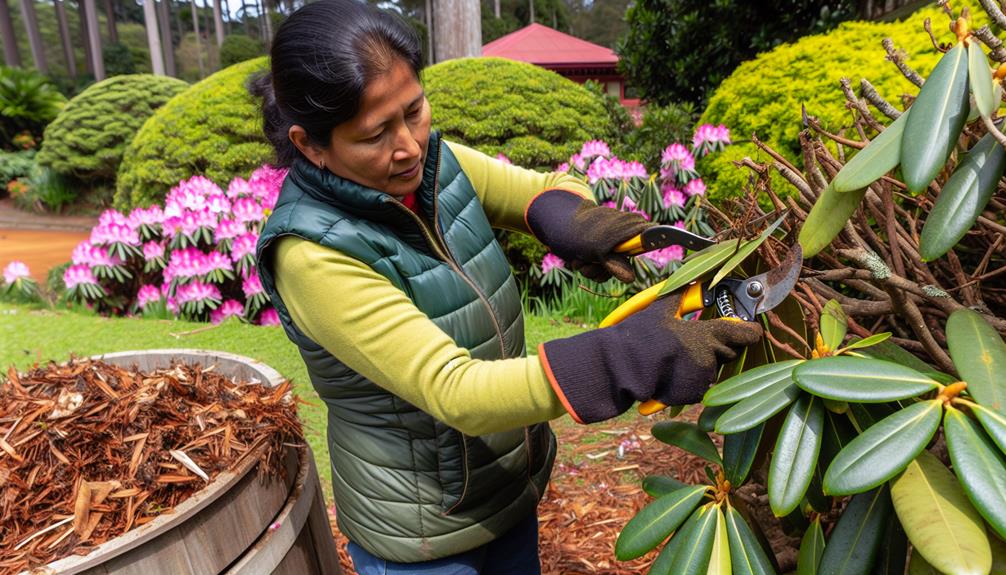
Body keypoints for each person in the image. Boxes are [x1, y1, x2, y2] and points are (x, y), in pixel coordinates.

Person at [251, 1, 762, 572]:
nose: (409, 145)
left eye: (413, 110)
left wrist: (574, 221)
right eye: (376, 134)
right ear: (310, 144)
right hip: (423, 536)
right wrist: (620, 359)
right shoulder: (312, 255)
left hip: (503, 488)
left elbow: (541, 189)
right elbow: (456, 392)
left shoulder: (434, 165)